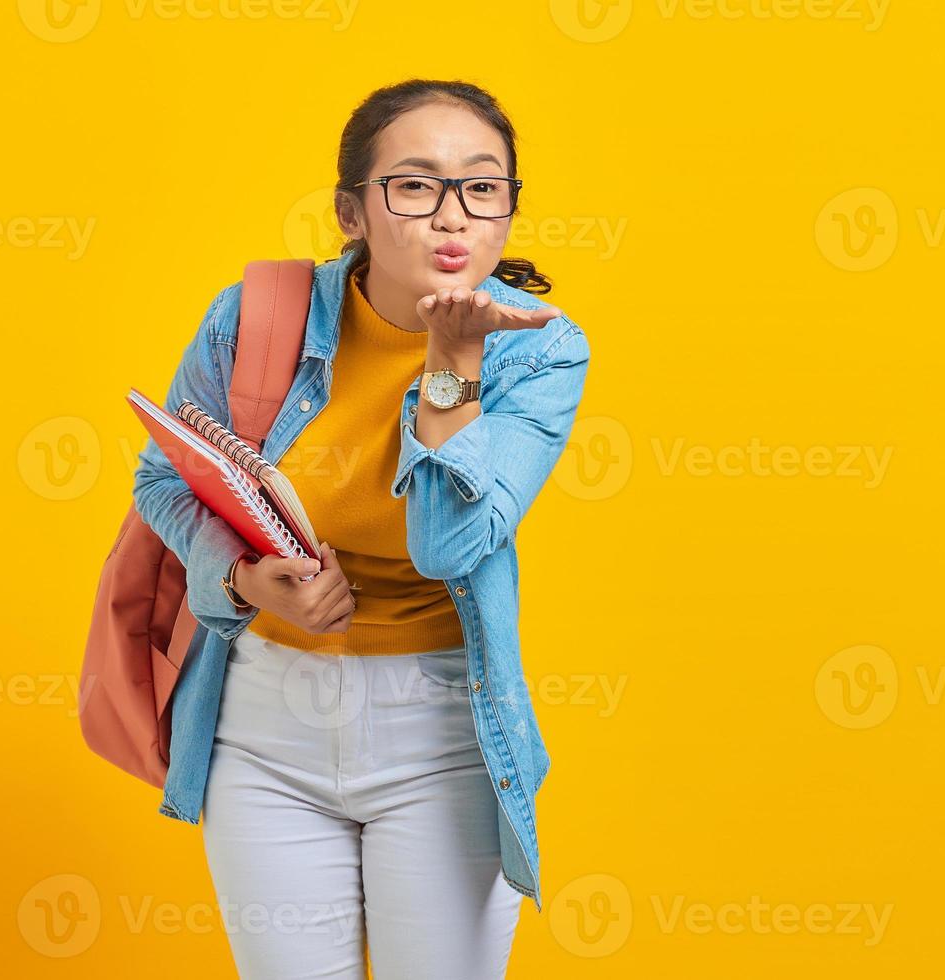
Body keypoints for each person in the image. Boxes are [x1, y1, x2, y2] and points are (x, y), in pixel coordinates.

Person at [133, 78, 592, 979]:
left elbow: (450, 547)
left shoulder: (540, 346)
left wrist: (453, 363)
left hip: (443, 734)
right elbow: (164, 478)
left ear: (507, 209)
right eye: (416, 186)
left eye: (483, 187)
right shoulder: (255, 316)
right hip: (262, 729)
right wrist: (238, 581)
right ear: (353, 210)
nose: (452, 215)